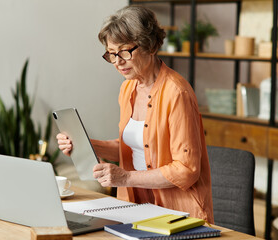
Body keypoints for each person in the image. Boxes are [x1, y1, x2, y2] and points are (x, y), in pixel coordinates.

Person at [56, 5, 214, 223]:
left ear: (149, 45)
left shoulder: (177, 93)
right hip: (135, 207)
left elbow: (186, 170)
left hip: (177, 214)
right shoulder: (128, 89)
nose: (118, 62)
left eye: (124, 52)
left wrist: (126, 177)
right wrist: (85, 144)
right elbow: (132, 149)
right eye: (111, 54)